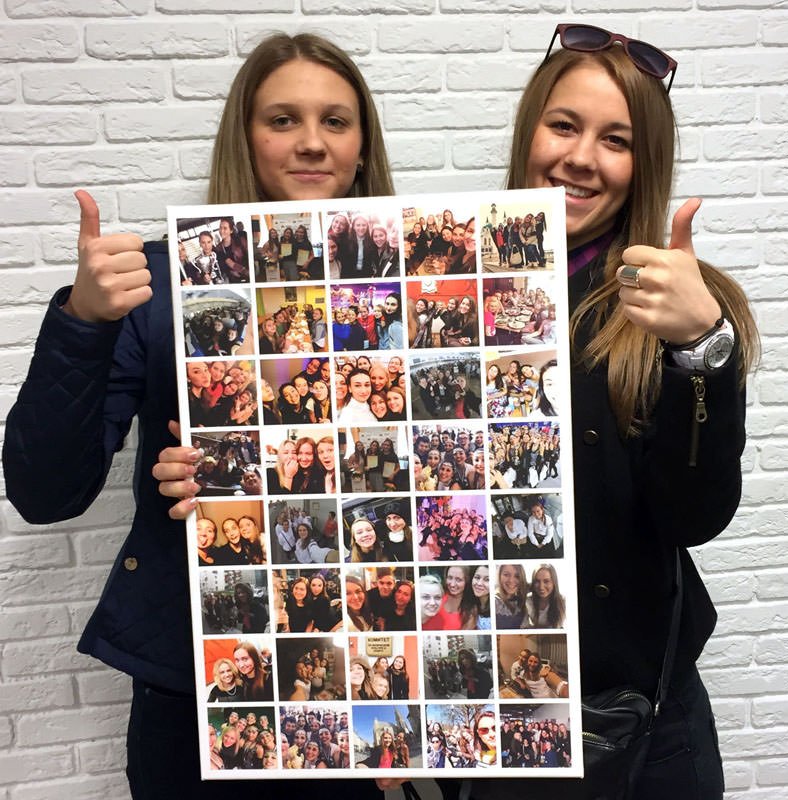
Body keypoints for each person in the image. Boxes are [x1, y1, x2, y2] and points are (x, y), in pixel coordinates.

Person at [3, 31, 395, 800]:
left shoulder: (402, 292)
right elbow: (45, 493)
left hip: (357, 674)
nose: (311, 141)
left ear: (361, 147)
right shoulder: (160, 289)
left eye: (335, 121)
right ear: (245, 138)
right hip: (196, 680)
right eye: (282, 119)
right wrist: (84, 322)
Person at [442, 23, 757, 800]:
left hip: (642, 726)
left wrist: (701, 347)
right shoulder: (441, 290)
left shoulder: (677, 305)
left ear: (642, 164)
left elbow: (695, 516)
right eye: (564, 125)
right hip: (487, 716)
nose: (582, 157)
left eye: (615, 139)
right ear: (530, 132)